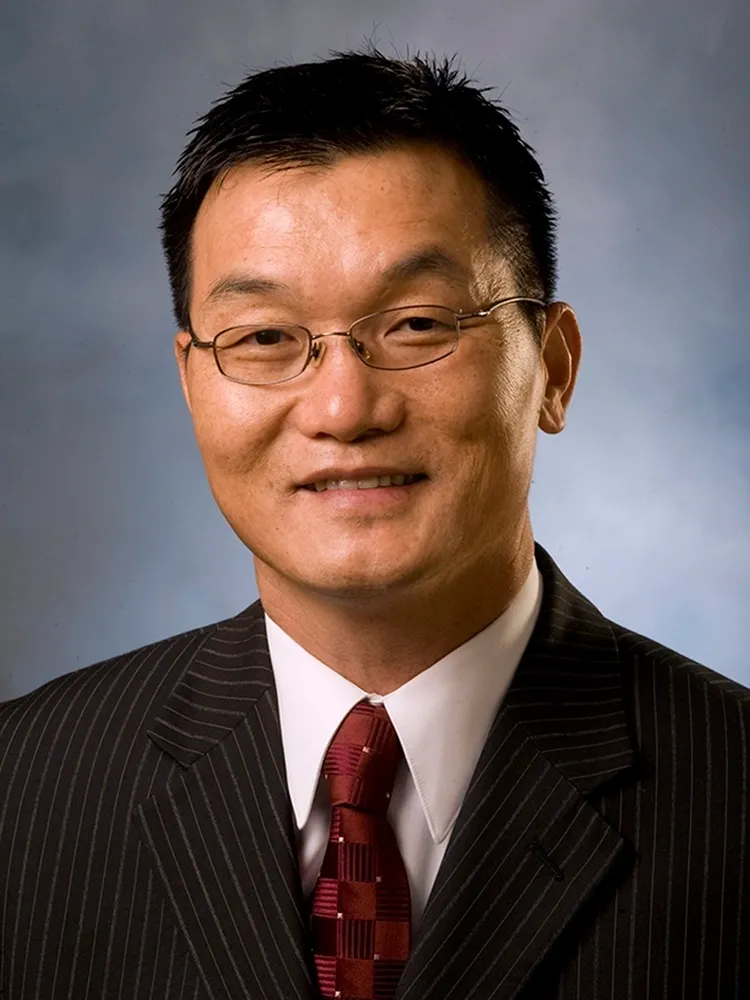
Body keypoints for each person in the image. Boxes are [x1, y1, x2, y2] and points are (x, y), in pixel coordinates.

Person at [1, 48, 747, 1000]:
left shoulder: (730, 792)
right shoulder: (24, 793)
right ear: (190, 381)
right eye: (266, 338)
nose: (344, 409)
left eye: (419, 325)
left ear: (553, 368)